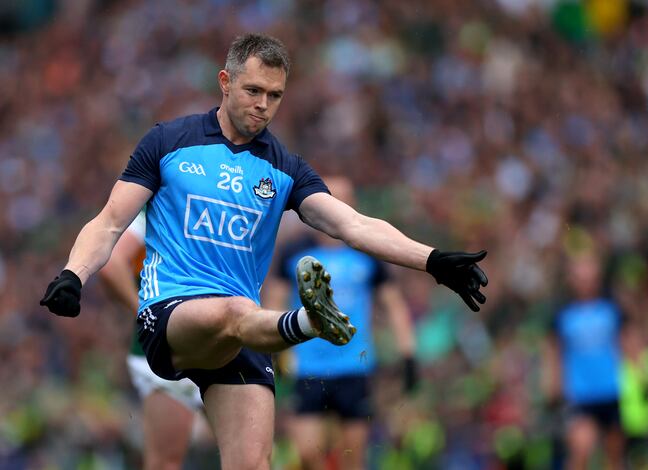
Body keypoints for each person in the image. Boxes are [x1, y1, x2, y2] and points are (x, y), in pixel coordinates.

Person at [39, 33, 487, 470]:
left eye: (275, 96)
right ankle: (310, 321)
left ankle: (304, 321)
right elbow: (110, 221)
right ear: (225, 81)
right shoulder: (168, 142)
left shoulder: (284, 168)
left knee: (253, 462)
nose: (263, 105)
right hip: (172, 313)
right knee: (226, 324)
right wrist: (73, 274)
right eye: (254, 90)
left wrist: (431, 260)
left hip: (246, 330)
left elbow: (352, 224)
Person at [265, 176, 417, 470]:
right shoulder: (294, 251)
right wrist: (274, 350)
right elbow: (274, 302)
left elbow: (393, 304)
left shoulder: (368, 253)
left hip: (354, 367)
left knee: (352, 459)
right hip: (307, 368)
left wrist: (408, 354)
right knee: (307, 457)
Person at [98, 210, 205, 470]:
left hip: (207, 341)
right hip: (178, 349)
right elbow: (112, 265)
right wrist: (149, 315)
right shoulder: (158, 204)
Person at [543, 251, 625, 470]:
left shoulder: (611, 309)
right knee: (581, 449)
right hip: (580, 395)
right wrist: (553, 384)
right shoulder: (563, 315)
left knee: (614, 455)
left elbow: (627, 345)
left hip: (611, 390)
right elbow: (553, 351)